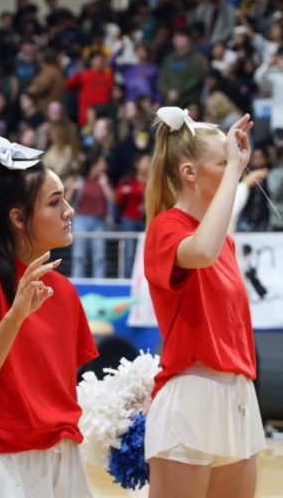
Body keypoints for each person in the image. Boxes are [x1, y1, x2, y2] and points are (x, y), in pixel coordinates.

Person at [0, 135, 97, 497]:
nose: (69, 211)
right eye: (55, 202)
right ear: (18, 217)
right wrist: (15, 316)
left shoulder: (63, 289)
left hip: (62, 458)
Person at [143, 107, 265, 498]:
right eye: (224, 161)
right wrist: (235, 172)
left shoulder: (223, 242)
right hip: (191, 395)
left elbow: (214, 243)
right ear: (189, 173)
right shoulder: (166, 229)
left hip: (239, 394)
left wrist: (230, 166)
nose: (235, 166)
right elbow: (202, 252)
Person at [68, 152, 115, 279]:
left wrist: (104, 184)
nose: (104, 165)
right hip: (81, 219)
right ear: (95, 164)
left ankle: (99, 283)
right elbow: (66, 199)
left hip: (99, 221)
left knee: (99, 256)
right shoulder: (79, 180)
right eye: (102, 162)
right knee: (79, 255)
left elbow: (112, 199)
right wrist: (72, 189)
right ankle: (77, 283)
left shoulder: (104, 179)